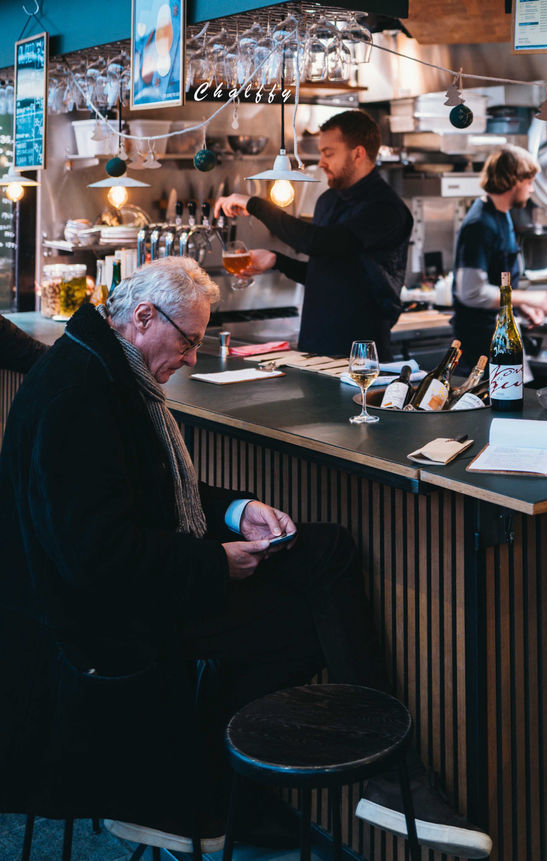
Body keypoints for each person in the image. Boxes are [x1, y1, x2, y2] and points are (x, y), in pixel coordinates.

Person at [0, 256, 491, 858]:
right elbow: (96, 558)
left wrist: (237, 511)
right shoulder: (80, 393)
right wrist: (215, 563)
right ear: (144, 317)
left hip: (120, 585)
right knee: (305, 620)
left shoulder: (100, 363)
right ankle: (208, 788)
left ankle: (226, 788)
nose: (188, 359)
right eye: (188, 342)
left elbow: (147, 497)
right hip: (101, 622)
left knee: (329, 551)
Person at [213, 109, 413, 363]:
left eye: (328, 153)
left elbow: (316, 242)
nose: (320, 162)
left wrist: (256, 205)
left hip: (361, 354)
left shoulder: (385, 208)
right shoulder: (328, 200)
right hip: (314, 346)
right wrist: (277, 260)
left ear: (358, 153)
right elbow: (325, 272)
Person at [452, 144, 547, 372]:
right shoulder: (479, 225)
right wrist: (530, 297)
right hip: (479, 348)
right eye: (529, 182)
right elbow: (471, 292)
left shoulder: (503, 215)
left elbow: (499, 280)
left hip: (500, 336)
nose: (532, 189)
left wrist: (522, 305)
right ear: (513, 180)